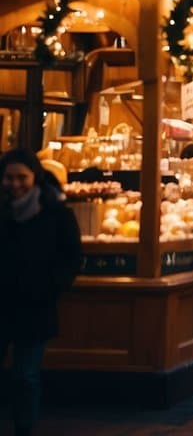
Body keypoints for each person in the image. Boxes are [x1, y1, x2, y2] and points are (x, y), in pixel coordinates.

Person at [0, 148, 81, 436]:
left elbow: (72, 256)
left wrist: (52, 286)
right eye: (9, 178)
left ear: (35, 177)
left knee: (26, 375)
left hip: (35, 306)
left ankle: (24, 428)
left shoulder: (57, 213)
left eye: (22, 177)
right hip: (2, 304)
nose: (15, 184)